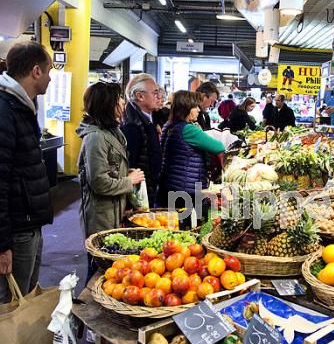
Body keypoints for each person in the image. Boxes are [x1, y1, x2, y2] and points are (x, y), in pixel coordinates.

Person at [0, 42, 54, 303]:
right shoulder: (6, 110)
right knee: (12, 304)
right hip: (17, 229)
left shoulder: (22, 106)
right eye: (48, 70)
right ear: (35, 71)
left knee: (27, 297)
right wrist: (2, 245)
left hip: (29, 223)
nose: (50, 77)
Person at [77, 82, 145, 281]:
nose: (123, 103)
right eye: (119, 99)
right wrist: (129, 181)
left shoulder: (112, 132)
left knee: (112, 265)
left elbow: (110, 168)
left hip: (114, 209)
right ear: (108, 104)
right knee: (100, 265)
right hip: (101, 215)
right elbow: (98, 182)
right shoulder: (96, 137)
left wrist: (126, 173)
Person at [157, 91, 225, 210]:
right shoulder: (188, 129)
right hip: (186, 189)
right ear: (186, 108)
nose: (198, 110)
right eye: (195, 107)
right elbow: (218, 147)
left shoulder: (169, 125)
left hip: (168, 185)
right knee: (190, 224)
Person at [121, 73, 162, 207]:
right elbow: (129, 166)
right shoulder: (132, 126)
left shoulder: (149, 118)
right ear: (140, 96)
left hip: (149, 187)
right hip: (139, 193)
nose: (159, 97)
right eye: (155, 93)